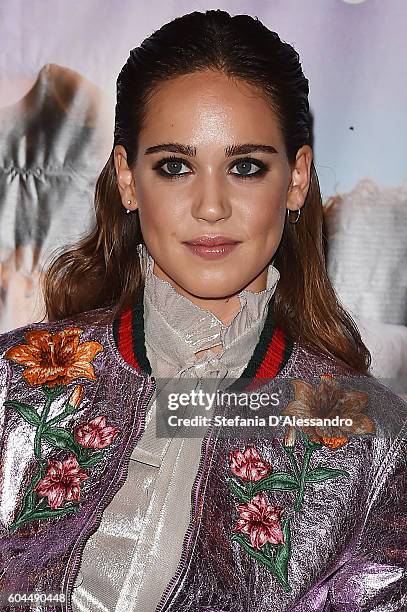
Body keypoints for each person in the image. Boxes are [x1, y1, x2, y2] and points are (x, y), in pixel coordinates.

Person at [0, 9, 405, 612]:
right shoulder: (16, 385)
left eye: (245, 167)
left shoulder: (371, 434)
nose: (210, 206)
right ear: (128, 179)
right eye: (175, 166)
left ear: (295, 179)